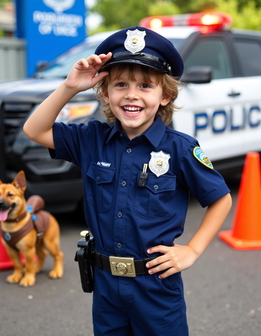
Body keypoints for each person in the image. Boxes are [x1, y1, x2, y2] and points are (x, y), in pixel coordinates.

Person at [23, 26, 232, 336]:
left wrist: (193, 250)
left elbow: (220, 198)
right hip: (107, 288)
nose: (132, 94)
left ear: (166, 96)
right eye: (120, 84)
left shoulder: (181, 148)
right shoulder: (91, 140)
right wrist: (69, 87)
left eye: (146, 86)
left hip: (156, 288)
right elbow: (34, 130)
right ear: (106, 92)